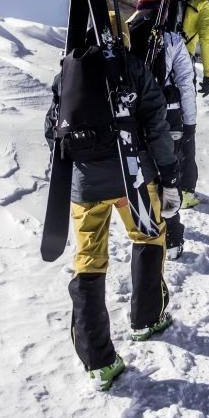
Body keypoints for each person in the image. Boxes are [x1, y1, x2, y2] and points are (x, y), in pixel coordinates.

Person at [44, 24, 181, 391]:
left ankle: (98, 362)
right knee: (148, 237)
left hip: (84, 185)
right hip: (130, 177)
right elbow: (156, 123)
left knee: (88, 260)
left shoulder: (66, 74)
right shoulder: (130, 66)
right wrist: (169, 174)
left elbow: (52, 129)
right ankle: (146, 319)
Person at [126, 0, 198, 260]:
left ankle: (148, 229)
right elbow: (185, 84)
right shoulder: (171, 39)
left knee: (144, 177)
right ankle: (173, 238)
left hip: (133, 119)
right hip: (168, 118)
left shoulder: (126, 35)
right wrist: (190, 124)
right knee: (169, 176)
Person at [170, 0, 209, 209]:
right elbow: (208, 40)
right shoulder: (202, 6)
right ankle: (185, 191)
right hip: (181, 69)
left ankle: (156, 183)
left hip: (154, 68)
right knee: (185, 128)